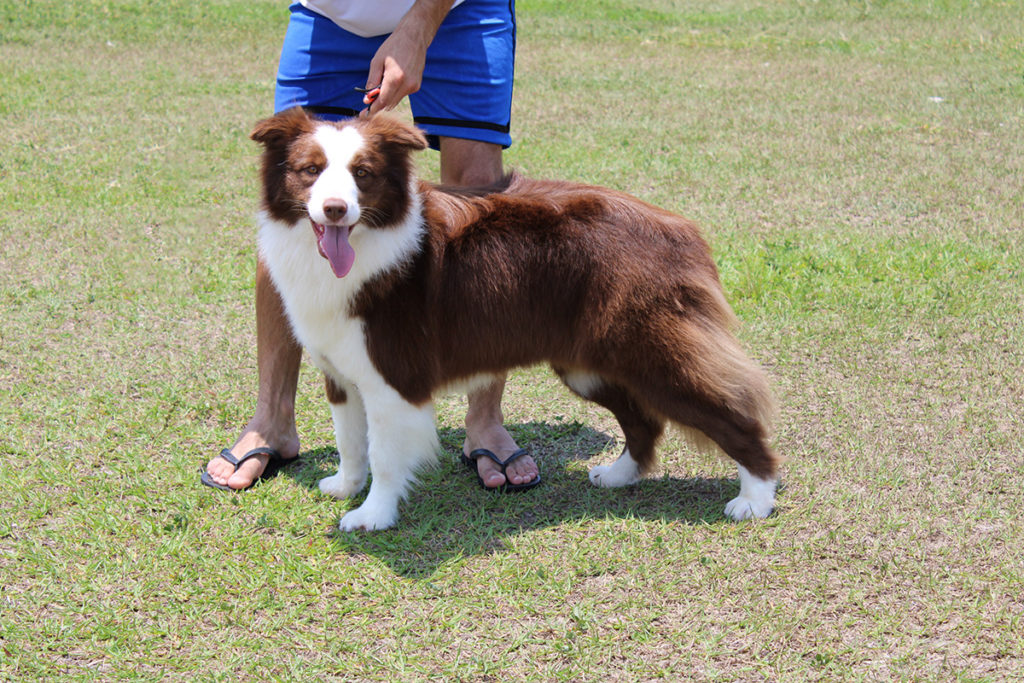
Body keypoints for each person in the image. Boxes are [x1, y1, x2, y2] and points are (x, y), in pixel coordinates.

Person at [203, 0, 541, 493]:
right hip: (331, 16)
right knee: (299, 208)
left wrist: (420, 24)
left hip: (461, 10)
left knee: (478, 192)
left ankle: (484, 420)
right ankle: (272, 418)